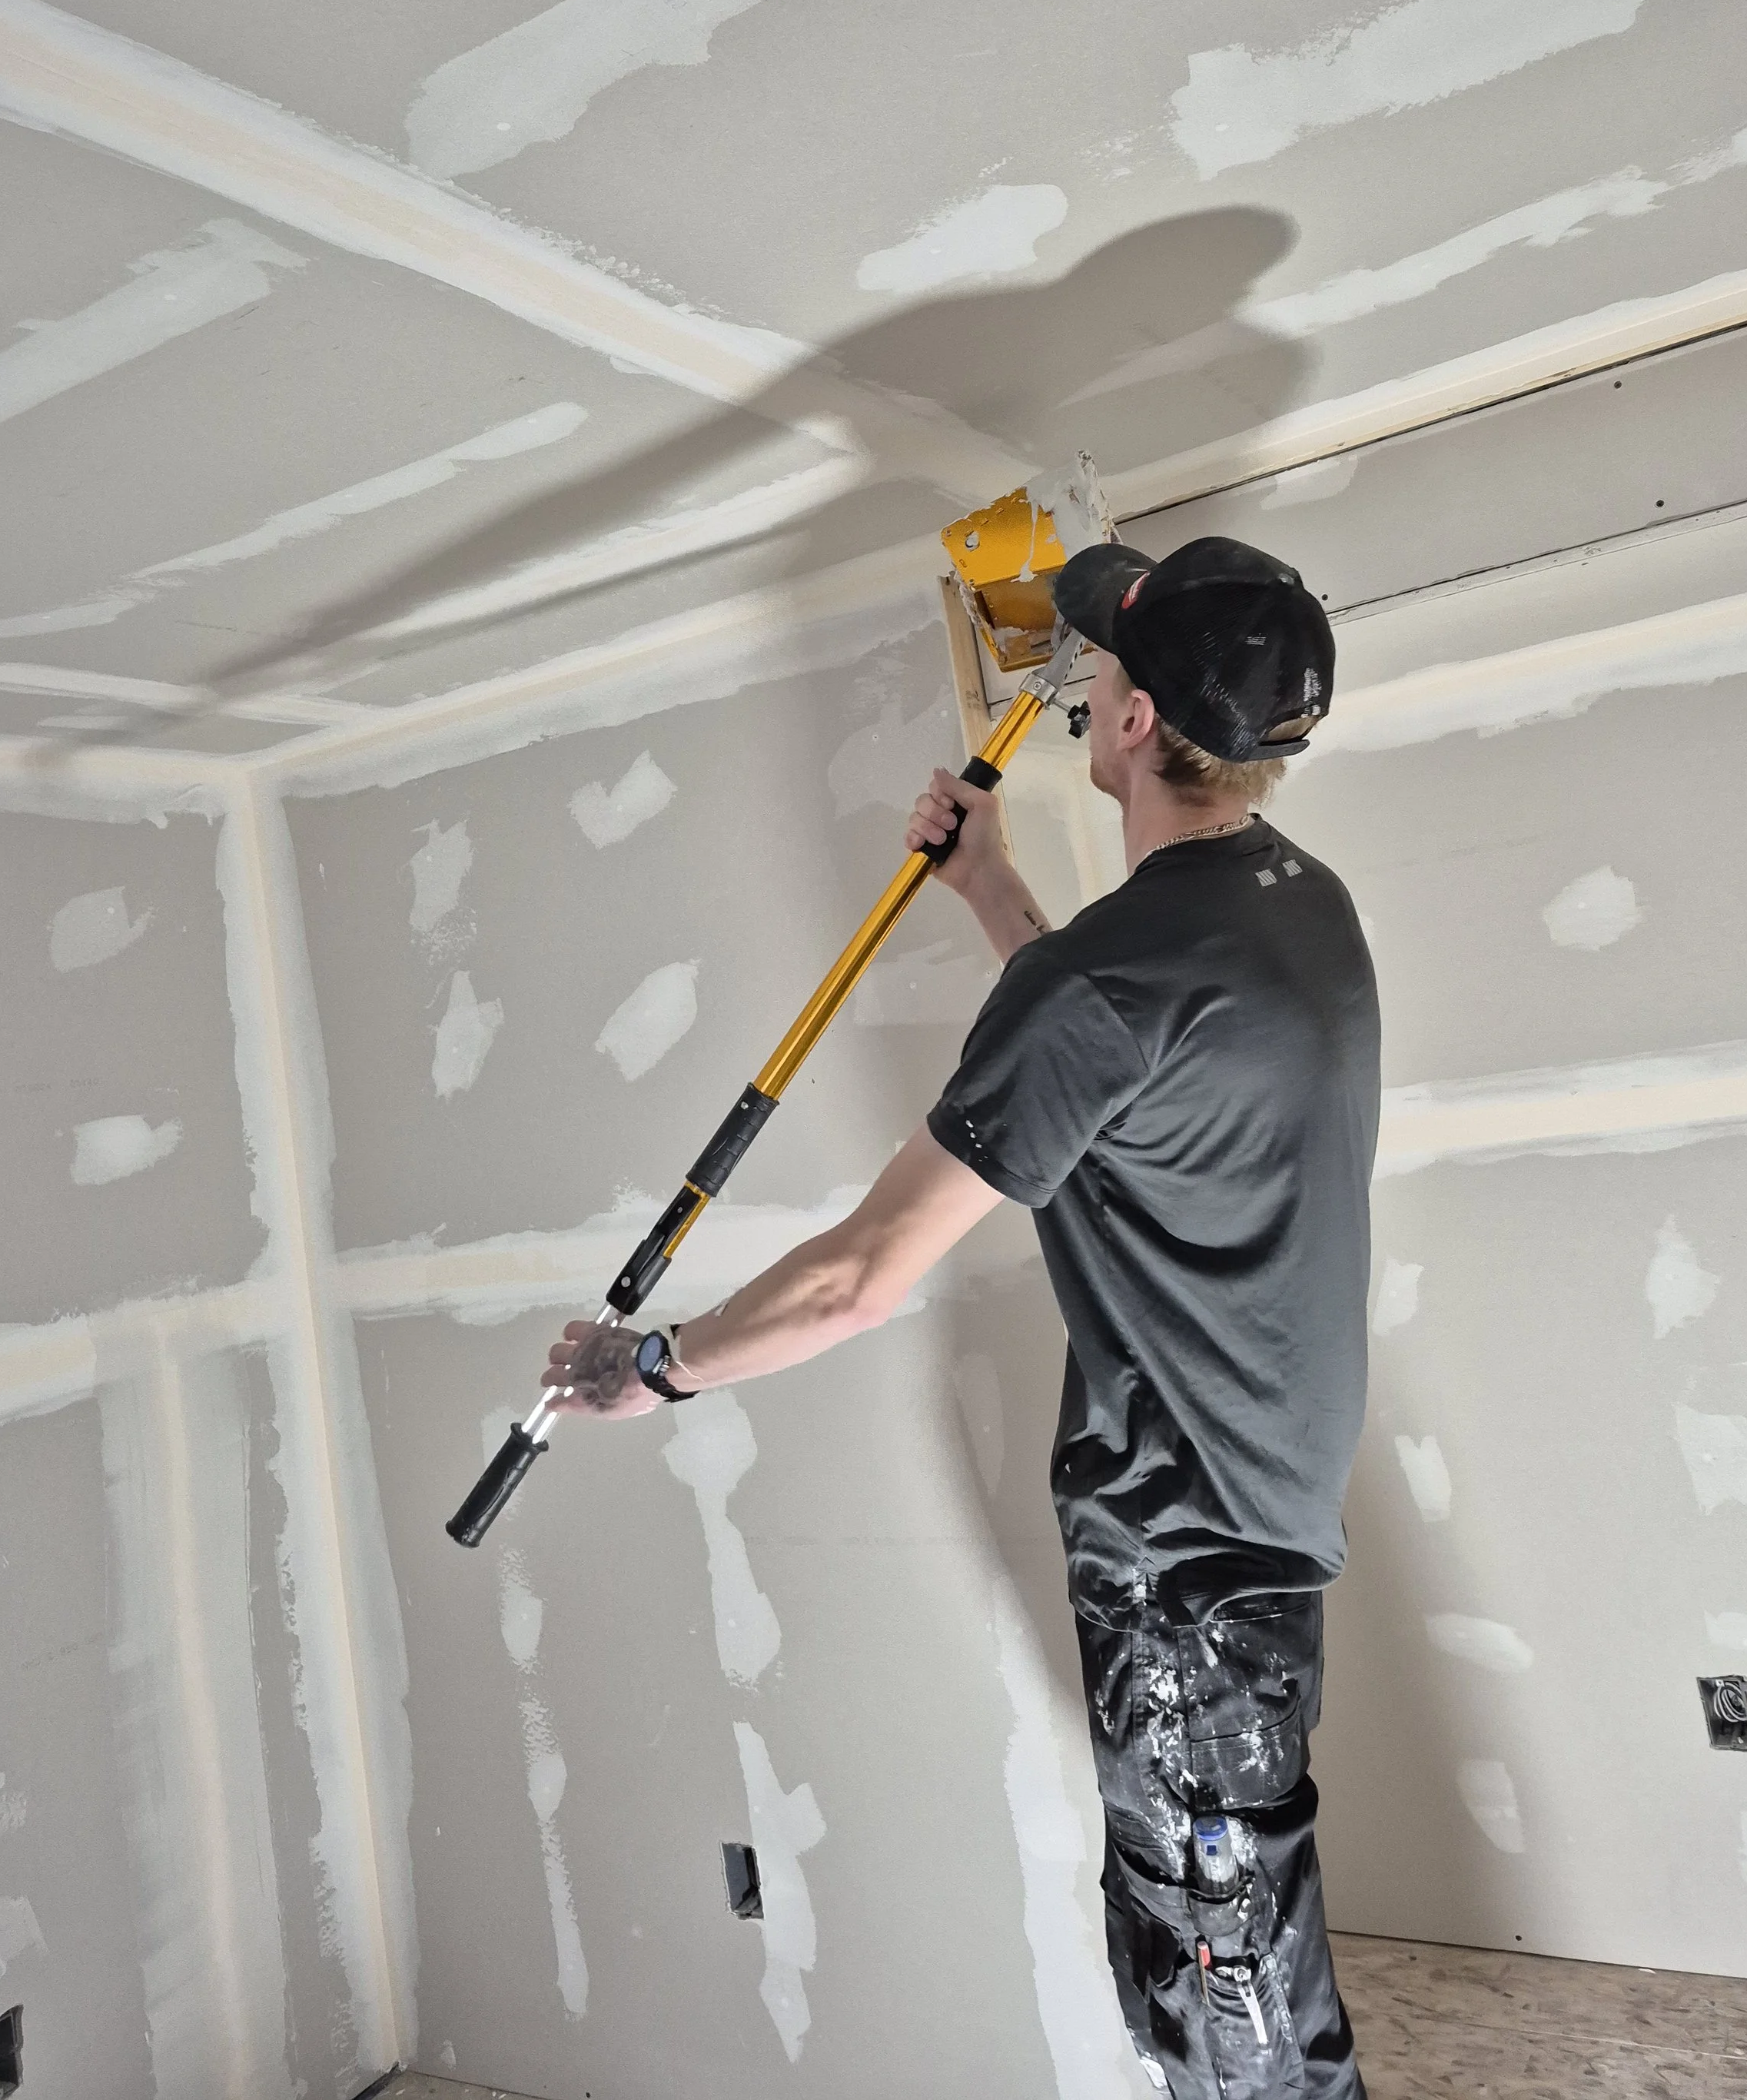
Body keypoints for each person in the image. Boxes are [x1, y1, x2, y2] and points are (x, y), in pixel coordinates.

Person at [542, 533, 1380, 2099]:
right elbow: (1115, 1063)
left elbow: (861, 1273)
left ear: (1130, 724)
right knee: (1206, 1945)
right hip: (1258, 1523)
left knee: (1234, 2001)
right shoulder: (1293, 909)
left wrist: (650, 1371)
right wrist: (991, 888)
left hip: (1184, 1569)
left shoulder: (1108, 983)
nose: (1088, 679)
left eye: (1103, 661)